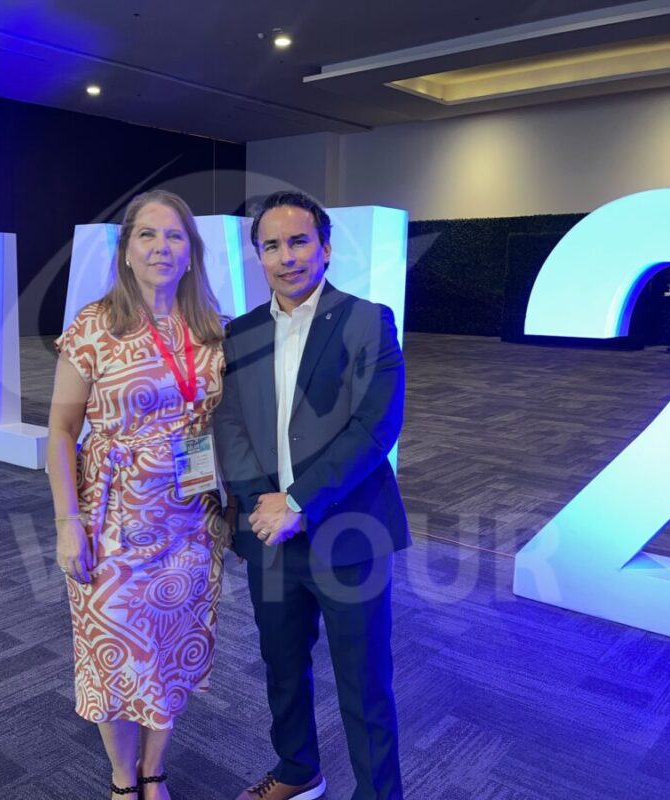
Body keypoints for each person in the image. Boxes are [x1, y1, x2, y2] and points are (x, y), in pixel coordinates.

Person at [214, 191, 409, 800]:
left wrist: (297, 502)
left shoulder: (366, 320)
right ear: (259, 257)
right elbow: (231, 424)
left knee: (364, 681)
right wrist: (260, 505)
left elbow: (375, 427)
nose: (286, 257)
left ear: (326, 248)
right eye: (271, 246)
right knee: (282, 665)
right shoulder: (240, 332)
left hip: (350, 531)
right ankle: (298, 770)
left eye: (299, 242)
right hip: (270, 536)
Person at [47, 189, 227, 799]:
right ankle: (123, 779)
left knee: (169, 649)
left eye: (175, 236)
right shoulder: (94, 325)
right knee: (114, 650)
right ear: (126, 250)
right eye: (147, 235)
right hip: (111, 519)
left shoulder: (210, 329)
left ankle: (154, 768)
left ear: (191, 252)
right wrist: (66, 522)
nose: (161, 247)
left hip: (190, 519)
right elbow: (61, 431)